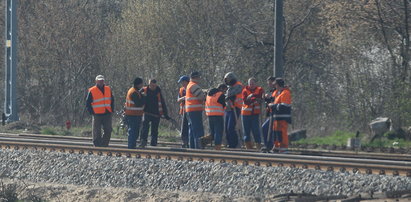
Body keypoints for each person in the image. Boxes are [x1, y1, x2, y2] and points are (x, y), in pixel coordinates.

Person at [86, 75, 114, 147]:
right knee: (97, 131)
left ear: (104, 81)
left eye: (102, 80)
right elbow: (88, 103)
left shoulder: (108, 89)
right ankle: (97, 145)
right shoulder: (92, 90)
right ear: (96, 81)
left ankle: (104, 145)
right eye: (99, 80)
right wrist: (92, 112)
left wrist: (112, 110)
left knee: (108, 130)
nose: (101, 82)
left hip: (107, 113)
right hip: (97, 114)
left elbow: (112, 100)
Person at [140, 79, 170, 147]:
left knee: (155, 130)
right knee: (144, 129)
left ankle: (153, 144)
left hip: (156, 114)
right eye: (151, 85)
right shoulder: (144, 90)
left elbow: (162, 103)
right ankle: (143, 142)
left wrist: (165, 114)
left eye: (154, 85)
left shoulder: (158, 92)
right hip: (146, 112)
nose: (153, 87)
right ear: (149, 84)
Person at [269, 78, 292, 153]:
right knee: (276, 132)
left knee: (282, 132)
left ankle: (284, 148)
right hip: (277, 117)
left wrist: (273, 106)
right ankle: (277, 147)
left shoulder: (285, 93)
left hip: (283, 117)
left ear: (278, 85)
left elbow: (284, 106)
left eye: (275, 84)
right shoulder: (279, 92)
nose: (274, 86)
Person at [241, 78, 264, 150]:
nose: (251, 85)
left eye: (253, 83)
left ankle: (258, 147)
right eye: (250, 84)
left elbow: (260, 97)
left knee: (256, 130)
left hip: (255, 114)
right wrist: (254, 98)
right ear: (248, 84)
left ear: (255, 84)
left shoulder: (260, 89)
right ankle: (248, 148)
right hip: (246, 114)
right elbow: (246, 101)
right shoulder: (245, 90)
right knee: (246, 131)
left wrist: (252, 97)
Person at [185, 71, 205, 149]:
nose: (200, 78)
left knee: (192, 130)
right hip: (195, 110)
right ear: (196, 77)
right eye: (199, 77)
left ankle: (192, 147)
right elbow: (201, 97)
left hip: (190, 110)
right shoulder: (194, 86)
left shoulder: (189, 85)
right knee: (198, 129)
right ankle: (199, 147)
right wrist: (205, 95)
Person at [224, 72, 244, 148]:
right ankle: (229, 143)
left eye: (228, 80)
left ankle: (234, 144)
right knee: (226, 128)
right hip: (229, 108)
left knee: (231, 128)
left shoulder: (238, 86)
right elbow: (227, 96)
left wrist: (229, 96)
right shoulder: (229, 87)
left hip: (235, 108)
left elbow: (231, 94)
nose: (227, 82)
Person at [124, 77, 145, 149]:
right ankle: (131, 147)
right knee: (133, 131)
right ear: (138, 84)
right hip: (132, 114)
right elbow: (138, 103)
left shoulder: (136, 91)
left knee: (135, 131)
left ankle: (132, 145)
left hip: (135, 114)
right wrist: (144, 97)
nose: (142, 85)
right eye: (141, 83)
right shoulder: (133, 92)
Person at [204, 84, 226, 150]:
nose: (225, 92)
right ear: (222, 88)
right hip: (218, 115)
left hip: (210, 115)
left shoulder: (208, 94)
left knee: (213, 133)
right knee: (218, 132)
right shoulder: (220, 94)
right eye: (225, 90)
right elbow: (224, 106)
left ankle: (203, 141)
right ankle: (217, 147)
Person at [261, 76, 276, 151]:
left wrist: (269, 98)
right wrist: (266, 98)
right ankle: (268, 145)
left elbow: (274, 101)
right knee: (265, 128)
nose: (269, 84)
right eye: (268, 83)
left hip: (275, 114)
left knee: (269, 129)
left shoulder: (276, 91)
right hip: (270, 113)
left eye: (270, 83)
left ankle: (271, 146)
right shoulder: (271, 91)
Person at [177, 75, 190, 148]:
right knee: (184, 128)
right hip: (183, 111)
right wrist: (184, 98)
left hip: (190, 111)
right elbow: (178, 99)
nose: (182, 84)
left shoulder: (191, 88)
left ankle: (189, 141)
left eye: (182, 82)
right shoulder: (181, 90)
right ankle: (184, 141)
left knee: (189, 127)